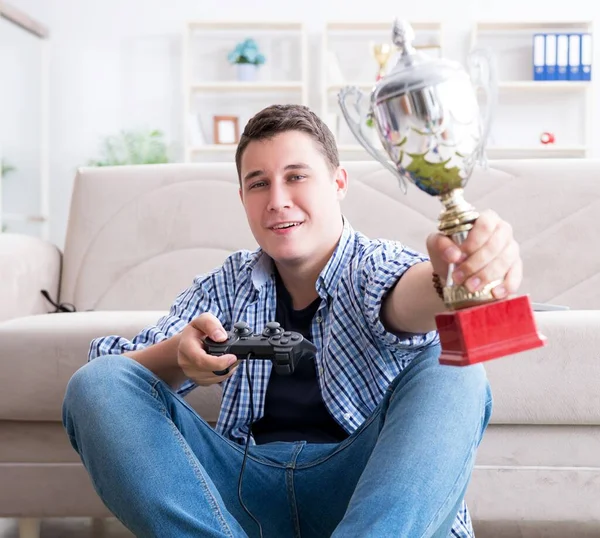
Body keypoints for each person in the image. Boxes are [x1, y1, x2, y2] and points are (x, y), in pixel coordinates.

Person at [62, 104, 521, 538]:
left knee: (455, 364)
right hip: (236, 493)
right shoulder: (227, 284)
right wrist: (180, 356)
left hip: (363, 495)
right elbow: (112, 371)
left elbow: (406, 297)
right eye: (259, 183)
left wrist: (451, 275)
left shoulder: (374, 265)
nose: (277, 200)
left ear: (338, 182)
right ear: (242, 196)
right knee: (98, 382)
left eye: (296, 176)